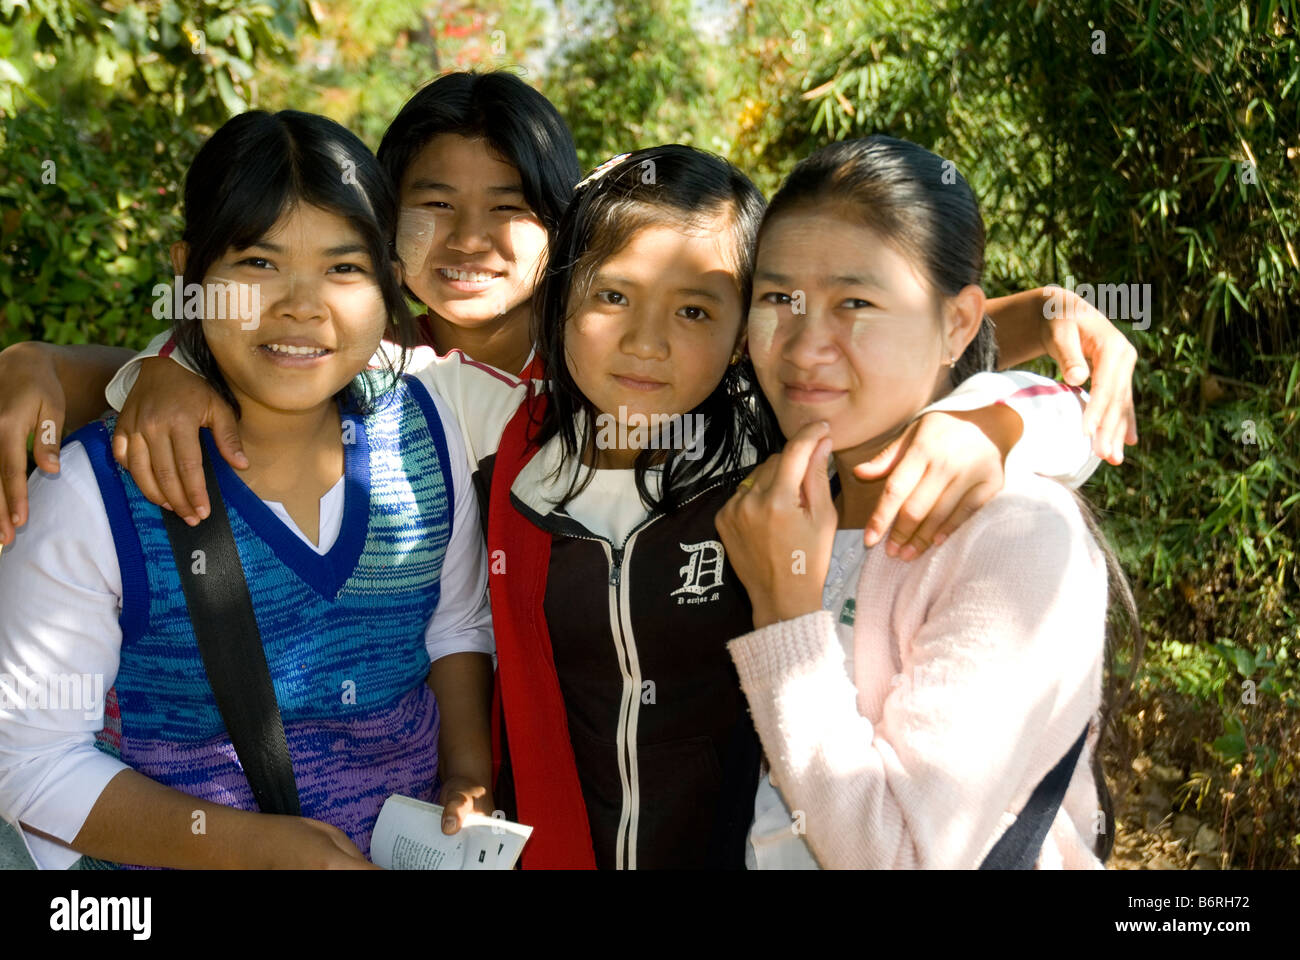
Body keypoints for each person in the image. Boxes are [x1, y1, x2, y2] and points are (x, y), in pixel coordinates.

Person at [0, 110, 494, 869]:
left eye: (344, 267)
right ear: (190, 275)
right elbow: (29, 762)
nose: (302, 305)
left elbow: (454, 625)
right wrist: (249, 848)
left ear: (391, 279)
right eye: (259, 264)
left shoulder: (425, 433)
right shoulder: (93, 497)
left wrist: (467, 774)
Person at [717, 135, 1139, 869]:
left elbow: (909, 858)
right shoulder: (769, 481)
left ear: (957, 325)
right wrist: (1042, 316)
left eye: (856, 302)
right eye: (778, 298)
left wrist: (784, 617)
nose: (804, 345)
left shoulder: (1016, 537)